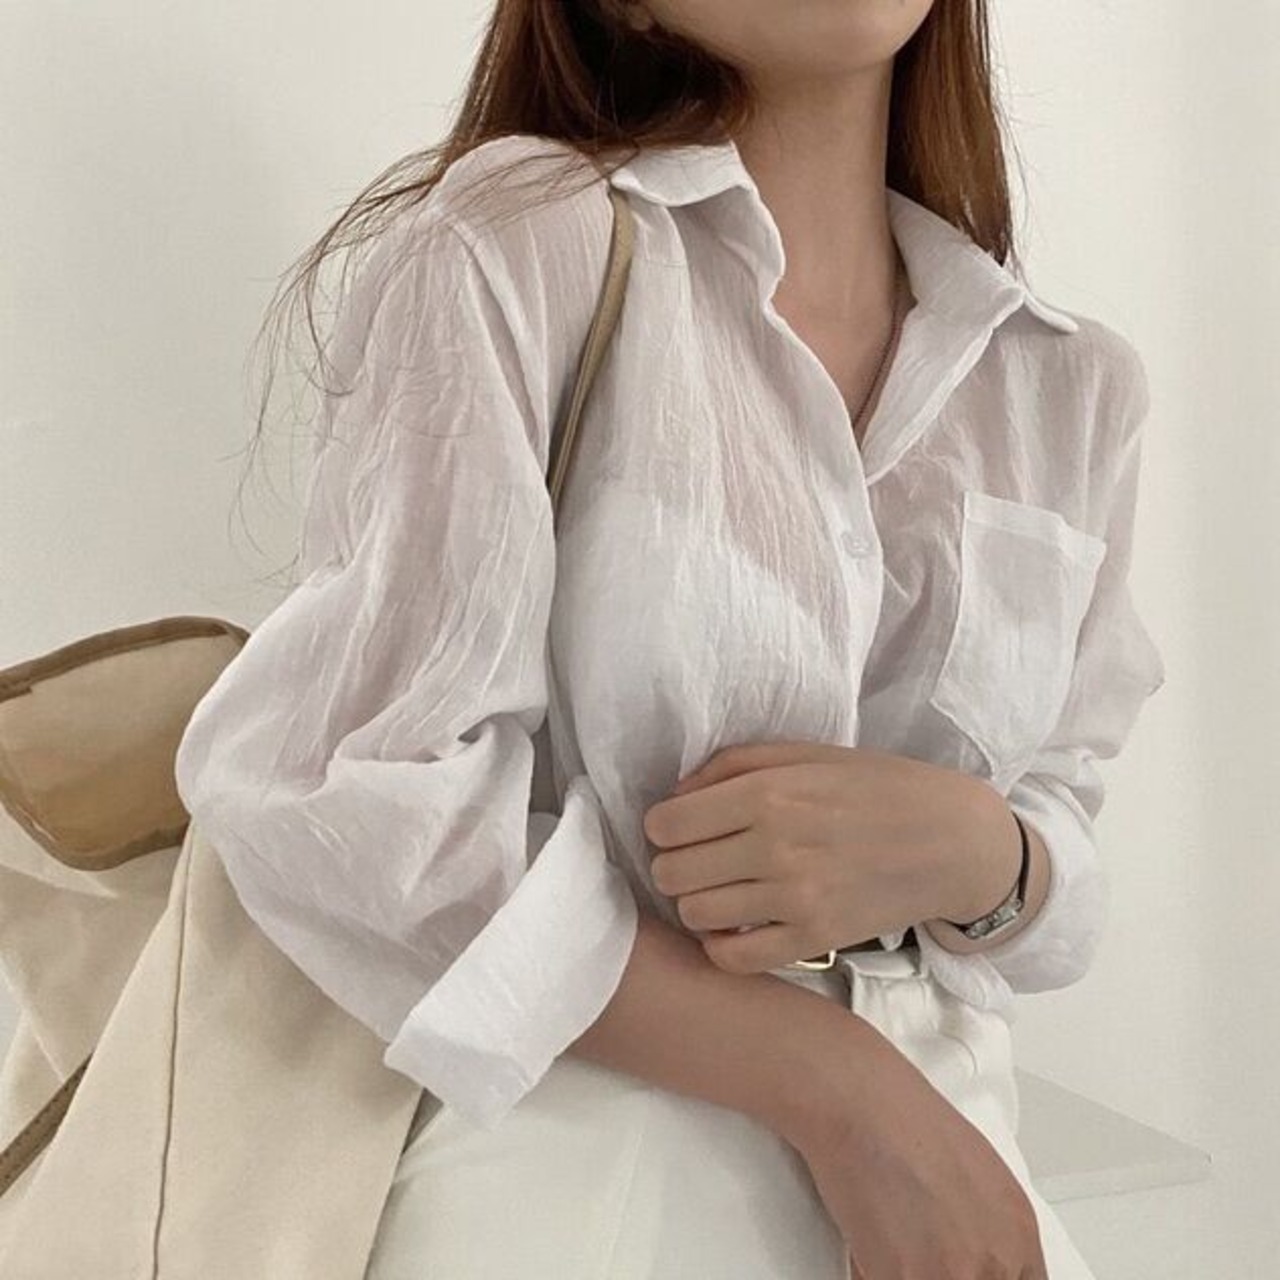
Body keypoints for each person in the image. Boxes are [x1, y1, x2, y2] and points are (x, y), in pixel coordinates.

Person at [173, 1, 1166, 1276]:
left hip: (958, 1169)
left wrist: (986, 853)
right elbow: (338, 791)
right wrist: (837, 1084)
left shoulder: (1062, 385)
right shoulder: (525, 243)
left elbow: (1062, 829)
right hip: (589, 1170)